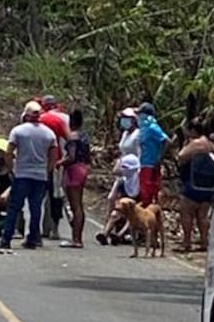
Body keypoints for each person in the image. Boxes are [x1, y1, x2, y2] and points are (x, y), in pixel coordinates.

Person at [3, 101, 57, 250]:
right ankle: (33, 238)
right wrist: (47, 171)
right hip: (40, 175)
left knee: (14, 207)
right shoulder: (49, 133)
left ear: (25, 115)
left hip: (22, 173)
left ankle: (6, 238)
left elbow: (8, 153)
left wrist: (10, 170)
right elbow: (53, 156)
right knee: (36, 208)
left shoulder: (18, 131)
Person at [97, 108, 142, 245]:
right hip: (124, 170)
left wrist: (137, 173)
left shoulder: (138, 135)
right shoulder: (124, 134)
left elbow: (140, 154)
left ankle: (123, 232)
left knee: (132, 205)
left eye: (127, 118)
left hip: (133, 170)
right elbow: (122, 152)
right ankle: (107, 229)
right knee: (112, 198)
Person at [174, 119, 214, 252]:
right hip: (208, 185)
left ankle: (187, 242)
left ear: (193, 131)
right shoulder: (209, 144)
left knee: (186, 212)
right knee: (203, 215)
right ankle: (204, 242)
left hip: (192, 184)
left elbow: (181, 157)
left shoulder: (195, 143)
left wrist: (184, 146)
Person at [38, 95, 70, 239]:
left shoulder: (42, 118)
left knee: (39, 196)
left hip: (41, 162)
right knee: (56, 195)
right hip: (59, 162)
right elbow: (70, 139)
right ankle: (54, 228)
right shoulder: (64, 118)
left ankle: (41, 228)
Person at [62, 108, 91, 248]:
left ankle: (76, 239)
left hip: (74, 170)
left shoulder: (72, 136)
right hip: (83, 168)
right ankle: (77, 237)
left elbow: (71, 156)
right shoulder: (84, 136)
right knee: (78, 205)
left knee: (75, 206)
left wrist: (60, 162)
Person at [137, 99, 168, 205]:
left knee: (148, 192)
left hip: (151, 164)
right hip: (144, 162)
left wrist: (159, 158)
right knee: (144, 191)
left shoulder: (153, 127)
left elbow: (167, 141)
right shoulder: (144, 128)